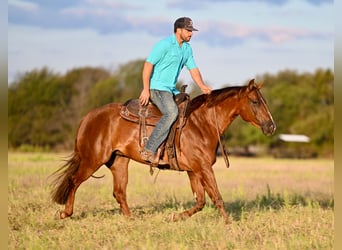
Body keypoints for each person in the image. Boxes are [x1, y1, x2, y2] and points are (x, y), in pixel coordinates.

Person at [139, 17, 212, 165]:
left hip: (172, 90)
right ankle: (149, 149)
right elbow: (148, 65)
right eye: (188, 30)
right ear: (178, 30)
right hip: (157, 88)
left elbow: (194, 69)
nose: (191, 34)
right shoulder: (164, 45)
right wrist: (146, 89)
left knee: (190, 109)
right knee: (172, 113)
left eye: (192, 31)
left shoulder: (187, 49)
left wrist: (203, 86)